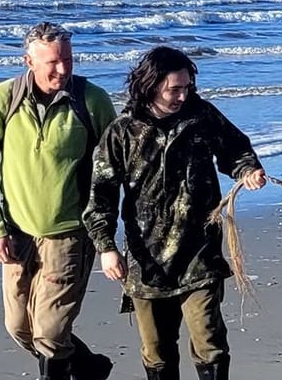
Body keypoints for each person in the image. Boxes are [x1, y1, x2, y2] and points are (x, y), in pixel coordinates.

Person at [85, 46, 266, 380]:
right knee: (157, 350)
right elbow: (101, 195)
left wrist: (248, 170)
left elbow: (236, 149)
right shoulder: (122, 132)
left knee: (210, 342)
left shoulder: (202, 117)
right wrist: (106, 247)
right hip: (147, 261)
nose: (183, 95)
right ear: (152, 85)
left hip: (200, 254)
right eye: (175, 89)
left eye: (187, 87)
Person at [0, 21, 119, 380]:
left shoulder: (92, 100)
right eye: (52, 62)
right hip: (17, 235)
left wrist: (106, 240)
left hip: (69, 234)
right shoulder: (3, 99)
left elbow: (115, 171)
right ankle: (91, 368)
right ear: (29, 61)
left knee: (50, 333)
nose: (63, 69)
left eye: (68, 59)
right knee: (19, 328)